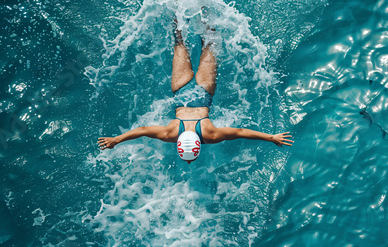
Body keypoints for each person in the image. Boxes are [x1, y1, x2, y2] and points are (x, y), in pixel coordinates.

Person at [98, 20, 293, 164]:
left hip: (203, 92)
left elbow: (240, 132)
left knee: (210, 44)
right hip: (180, 92)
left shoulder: (210, 135)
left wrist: (271, 137)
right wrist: (115, 140)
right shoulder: (170, 133)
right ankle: (178, 3)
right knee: (179, 41)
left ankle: (202, 4)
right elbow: (142, 131)